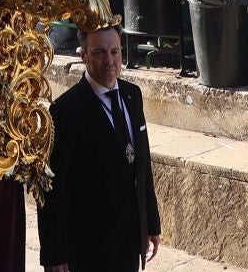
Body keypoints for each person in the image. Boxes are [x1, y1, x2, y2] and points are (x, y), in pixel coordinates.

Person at [37, 25, 160, 272]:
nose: (109, 60)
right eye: (99, 52)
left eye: (115, 52)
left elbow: (142, 164)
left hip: (127, 239)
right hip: (89, 245)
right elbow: (53, 187)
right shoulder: (66, 110)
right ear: (83, 55)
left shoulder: (131, 95)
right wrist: (54, 253)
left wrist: (151, 223)